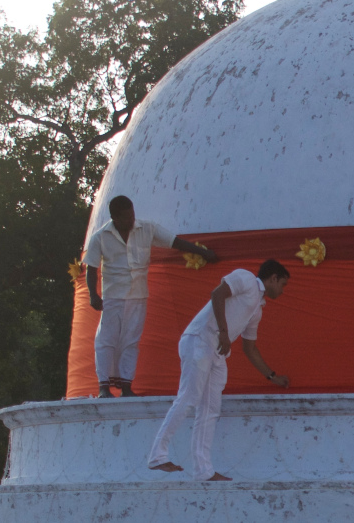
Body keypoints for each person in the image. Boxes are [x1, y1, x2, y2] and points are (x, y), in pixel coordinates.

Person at [147, 260, 292, 481]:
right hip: (200, 339)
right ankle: (157, 454)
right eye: (282, 284)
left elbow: (249, 348)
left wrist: (272, 376)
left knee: (210, 409)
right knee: (189, 397)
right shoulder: (245, 278)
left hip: (218, 352)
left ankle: (203, 471)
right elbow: (217, 294)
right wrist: (224, 332)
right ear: (272, 278)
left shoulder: (257, 311)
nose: (282, 291)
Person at [83, 195, 217, 397]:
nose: (131, 220)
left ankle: (127, 387)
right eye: (126, 217)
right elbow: (91, 268)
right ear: (115, 218)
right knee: (106, 340)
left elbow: (176, 242)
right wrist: (93, 295)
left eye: (132, 215)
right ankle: (103, 387)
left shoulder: (147, 228)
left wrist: (202, 252)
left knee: (131, 340)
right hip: (113, 297)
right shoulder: (100, 237)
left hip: (138, 296)